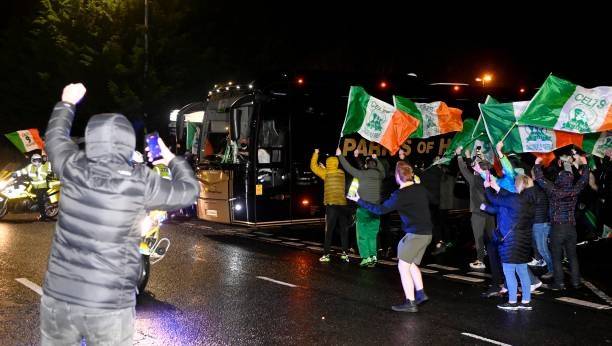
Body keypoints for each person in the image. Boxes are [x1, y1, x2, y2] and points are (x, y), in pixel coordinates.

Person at [41, 83, 199, 345]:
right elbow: (189, 191)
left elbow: (55, 139)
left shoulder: (72, 166)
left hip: (61, 297)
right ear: (126, 143)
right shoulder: (141, 180)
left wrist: (67, 102)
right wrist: (169, 158)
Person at [347, 161, 432, 312]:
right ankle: (420, 294)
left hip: (415, 235)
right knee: (411, 264)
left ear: (398, 177)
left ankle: (410, 302)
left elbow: (380, 210)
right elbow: (434, 200)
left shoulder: (399, 195)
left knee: (403, 266)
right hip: (426, 234)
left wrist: (358, 200)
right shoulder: (421, 188)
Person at [534, 153, 589, 290]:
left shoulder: (553, 190)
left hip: (557, 228)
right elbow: (584, 180)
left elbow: (540, 179)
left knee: (557, 256)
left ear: (559, 179)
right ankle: (576, 282)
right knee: (572, 256)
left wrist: (537, 164)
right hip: (571, 228)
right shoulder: (574, 190)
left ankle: (559, 283)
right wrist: (585, 164)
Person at [480, 174, 535, 311]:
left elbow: (495, 199)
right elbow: (507, 198)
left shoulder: (515, 199)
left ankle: (512, 302)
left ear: (520, 185)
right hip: (524, 240)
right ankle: (526, 301)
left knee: (509, 272)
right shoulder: (530, 200)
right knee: (522, 271)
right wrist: (496, 186)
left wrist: (487, 188)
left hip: (511, 242)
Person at [456, 147, 504, 295]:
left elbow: (464, 170)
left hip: (478, 212)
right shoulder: (490, 179)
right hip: (490, 211)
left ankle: (480, 260)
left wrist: (459, 156)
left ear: (477, 170)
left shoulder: (474, 178)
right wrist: (478, 158)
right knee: (492, 236)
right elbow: (485, 166)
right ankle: (499, 258)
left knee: (478, 237)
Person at [337, 148, 385, 267]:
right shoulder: (379, 175)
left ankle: (366, 258)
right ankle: (373, 256)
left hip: (363, 209)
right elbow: (383, 171)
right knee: (372, 235)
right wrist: (376, 159)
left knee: (362, 235)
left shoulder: (361, 174)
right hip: (376, 210)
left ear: (366, 165)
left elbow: (348, 168)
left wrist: (340, 156)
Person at [311, 148, 350, 263]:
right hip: (343, 205)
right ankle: (345, 254)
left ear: (328, 164)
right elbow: (332, 171)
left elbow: (313, 167)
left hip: (331, 206)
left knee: (329, 231)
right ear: (337, 163)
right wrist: (326, 169)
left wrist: (316, 153)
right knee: (344, 230)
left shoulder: (326, 173)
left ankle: (326, 255)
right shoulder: (341, 173)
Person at [529, 167, 553, 280]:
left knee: (542, 248)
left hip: (540, 222)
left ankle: (552, 269)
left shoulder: (536, 187)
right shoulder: (544, 185)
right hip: (541, 221)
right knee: (540, 246)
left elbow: (531, 205)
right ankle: (543, 262)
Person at [14, 153, 52, 221]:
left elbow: (49, 168)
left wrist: (46, 158)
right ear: (32, 160)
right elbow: (23, 170)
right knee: (30, 196)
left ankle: (43, 216)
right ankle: (32, 207)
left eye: (39, 160)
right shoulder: (30, 167)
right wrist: (16, 173)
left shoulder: (44, 166)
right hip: (34, 186)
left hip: (42, 186)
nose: (37, 162)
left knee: (40, 200)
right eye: (35, 160)